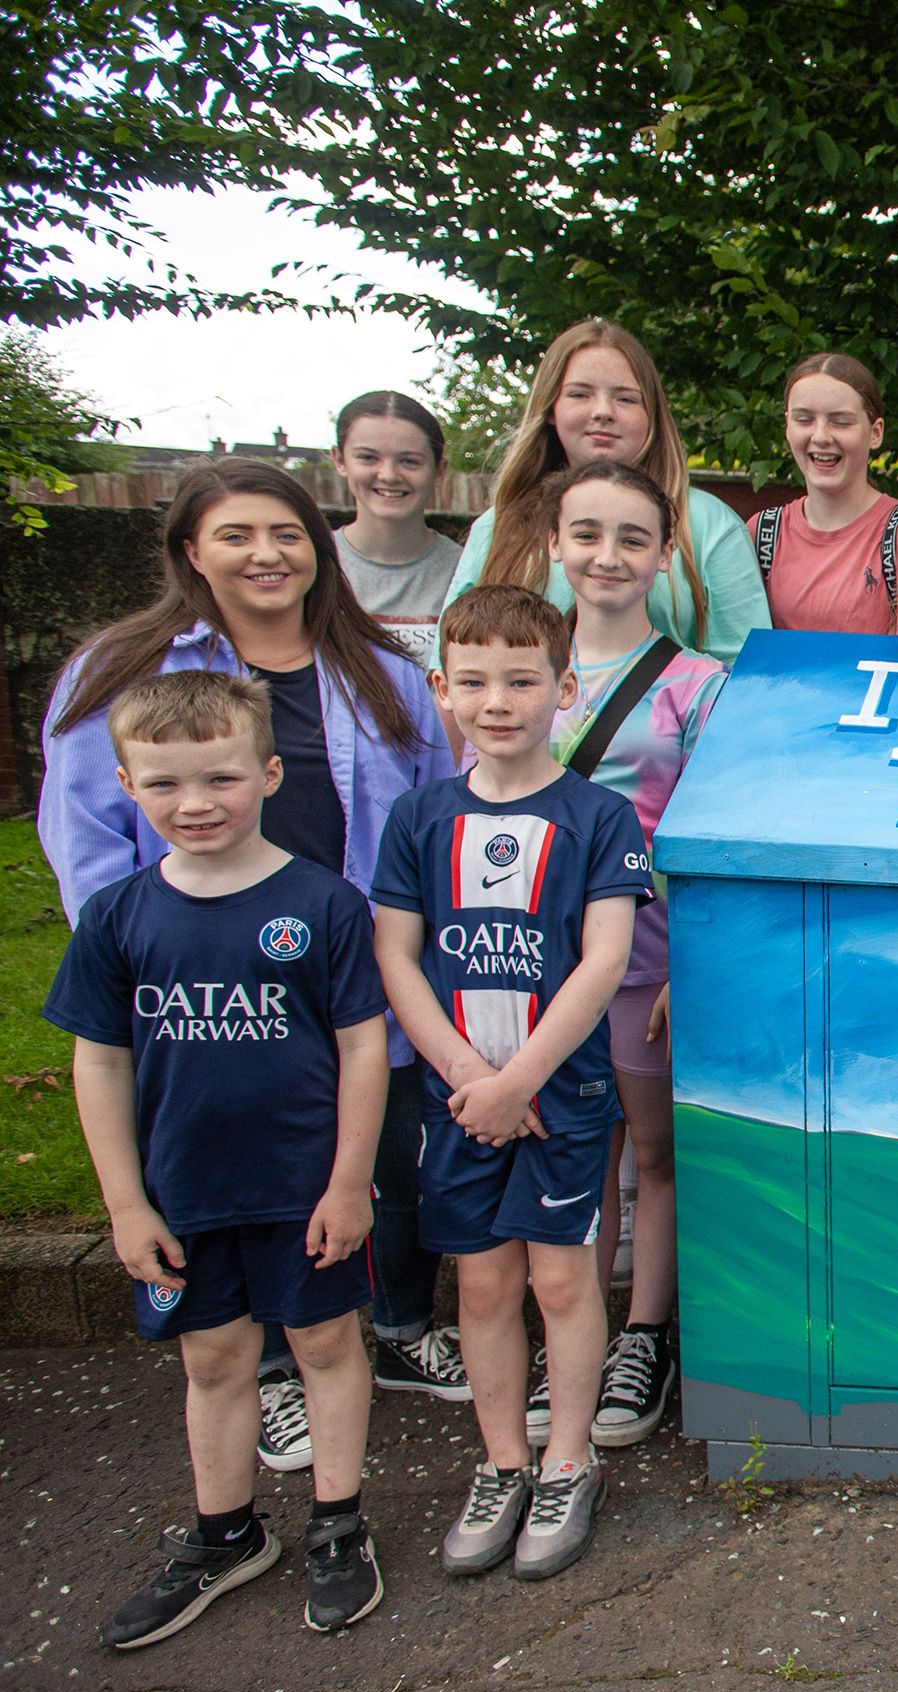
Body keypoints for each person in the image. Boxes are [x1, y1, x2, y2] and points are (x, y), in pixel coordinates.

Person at [40, 458, 464, 1476]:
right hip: (209, 971)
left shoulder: (379, 667)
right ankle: (273, 1368)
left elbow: (431, 808)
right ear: (192, 550)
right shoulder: (123, 671)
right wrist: (136, 956)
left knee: (387, 1153)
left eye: (286, 534)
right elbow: (85, 836)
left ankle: (401, 1328)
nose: (266, 555)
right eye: (236, 535)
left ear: (317, 549)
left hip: (355, 958)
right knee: (241, 1170)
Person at [48, 672, 391, 1645]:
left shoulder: (322, 906)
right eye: (164, 785)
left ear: (270, 773)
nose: (195, 805)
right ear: (125, 783)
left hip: (304, 1191)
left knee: (325, 1346)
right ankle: (226, 1533)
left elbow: (364, 1047)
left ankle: (336, 1522)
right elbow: (101, 1060)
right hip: (184, 1196)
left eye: (220, 779)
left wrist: (346, 1181)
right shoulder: (118, 918)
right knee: (216, 1360)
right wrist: (125, 1205)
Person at [373, 584, 652, 1580]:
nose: (500, 700)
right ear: (444, 689)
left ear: (563, 688)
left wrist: (522, 1076)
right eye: (477, 680)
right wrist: (469, 1078)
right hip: (460, 1101)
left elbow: (603, 960)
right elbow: (397, 960)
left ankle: (569, 1460)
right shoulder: (417, 820)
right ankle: (502, 1465)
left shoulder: (599, 817)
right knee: (483, 1285)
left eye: (524, 679)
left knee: (562, 1278)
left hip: (560, 1099)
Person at [540, 461, 726, 1447]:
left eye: (631, 538)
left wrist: (692, 957)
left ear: (662, 555)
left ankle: (645, 1337)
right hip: (533, 959)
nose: (608, 556)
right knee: (573, 1153)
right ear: (557, 543)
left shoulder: (698, 685)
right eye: (588, 534)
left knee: (653, 1153)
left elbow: (710, 827)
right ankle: (574, 1334)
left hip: (648, 956)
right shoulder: (523, 666)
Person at [446, 319, 771, 663]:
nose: (603, 412)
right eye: (580, 394)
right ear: (551, 408)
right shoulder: (498, 527)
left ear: (652, 414)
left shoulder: (710, 526)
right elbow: (449, 671)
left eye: (626, 398)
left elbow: (747, 673)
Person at [751, 353, 898, 635]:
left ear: (876, 432)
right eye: (804, 420)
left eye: (841, 422)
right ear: (787, 425)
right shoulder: (761, 534)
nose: (821, 436)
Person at [331, 391, 463, 666]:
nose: (389, 475)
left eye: (410, 461)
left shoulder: (468, 571)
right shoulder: (313, 563)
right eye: (368, 458)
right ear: (340, 460)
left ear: (440, 470)